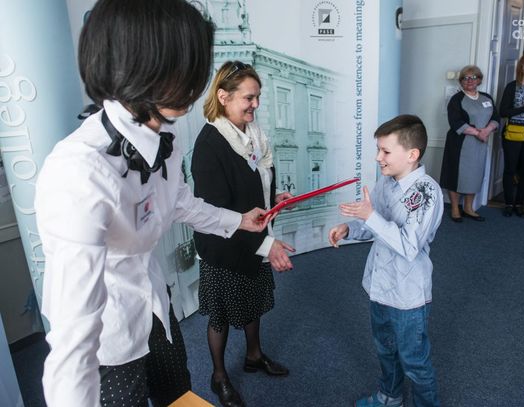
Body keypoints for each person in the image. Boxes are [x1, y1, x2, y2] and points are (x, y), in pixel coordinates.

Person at [34, 2, 271, 406]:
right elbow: (73, 341)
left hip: (156, 308)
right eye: (187, 65)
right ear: (142, 66)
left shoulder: (165, 142)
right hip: (107, 341)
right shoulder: (79, 171)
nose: (196, 82)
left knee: (177, 394)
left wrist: (239, 221)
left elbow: (180, 204)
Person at [191, 61, 295, 407]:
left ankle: (253, 355)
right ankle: (219, 376)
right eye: (249, 98)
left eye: (258, 97)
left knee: (253, 302)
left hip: (256, 239)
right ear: (223, 97)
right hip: (223, 247)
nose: (256, 104)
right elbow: (218, 211)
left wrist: (274, 198)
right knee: (220, 316)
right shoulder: (210, 144)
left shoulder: (253, 134)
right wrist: (267, 244)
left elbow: (257, 180)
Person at [328, 115, 443, 407]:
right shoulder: (386, 183)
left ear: (412, 154)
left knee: (415, 362)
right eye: (378, 149)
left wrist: (370, 217)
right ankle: (390, 397)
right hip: (379, 288)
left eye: (386, 151)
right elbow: (373, 226)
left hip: (408, 297)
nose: (378, 157)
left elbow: (409, 245)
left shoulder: (427, 192)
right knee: (386, 351)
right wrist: (350, 229)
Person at [439, 65, 499, 222]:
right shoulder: (456, 99)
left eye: (473, 77)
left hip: (479, 145)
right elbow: (455, 122)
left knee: (474, 175)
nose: (470, 80)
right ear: (461, 81)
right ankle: (454, 209)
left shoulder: (486, 98)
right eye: (465, 78)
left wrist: (487, 130)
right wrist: (478, 133)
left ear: (479, 80)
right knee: (456, 176)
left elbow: (496, 118)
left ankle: (468, 208)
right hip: (459, 144)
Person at [499, 51, 524, 218]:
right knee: (510, 168)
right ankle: (509, 203)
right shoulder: (512, 86)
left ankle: (520, 204)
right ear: (521, 66)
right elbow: (503, 112)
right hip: (513, 132)